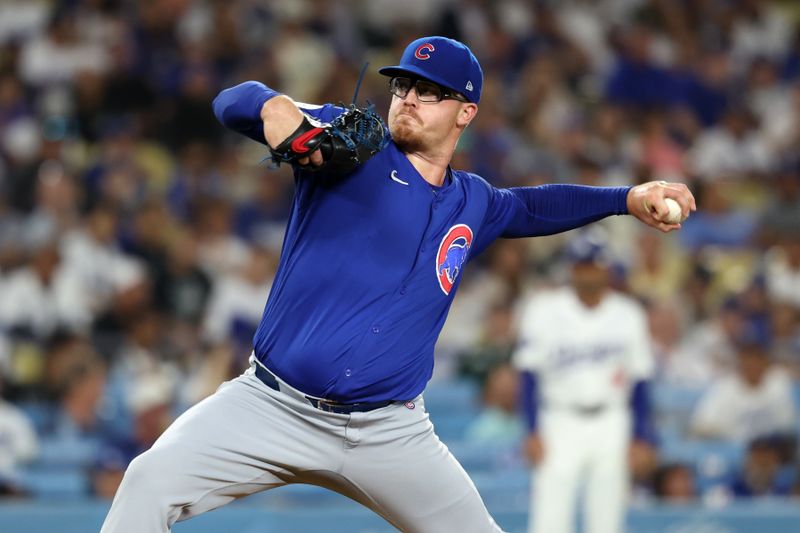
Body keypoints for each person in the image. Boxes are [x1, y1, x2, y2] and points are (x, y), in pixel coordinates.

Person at [100, 36, 695, 533]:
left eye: (429, 92)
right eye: (402, 86)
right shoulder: (350, 145)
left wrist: (625, 197)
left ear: (466, 112)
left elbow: (535, 207)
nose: (408, 98)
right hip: (269, 406)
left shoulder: (474, 202)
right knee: (147, 483)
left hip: (390, 431)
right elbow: (234, 100)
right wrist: (273, 107)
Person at [513, 230, 657, 533]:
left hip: (612, 420)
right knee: (549, 519)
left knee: (606, 520)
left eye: (594, 265)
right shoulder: (543, 310)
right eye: (582, 266)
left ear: (606, 269)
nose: (589, 272)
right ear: (572, 269)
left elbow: (641, 379)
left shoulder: (628, 314)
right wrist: (531, 429)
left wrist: (642, 435)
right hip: (559, 419)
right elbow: (527, 375)